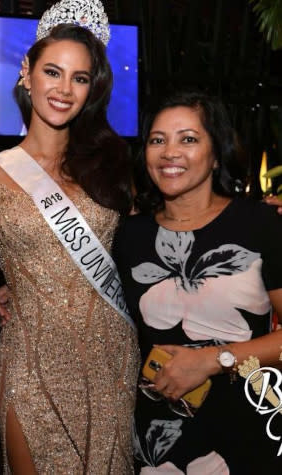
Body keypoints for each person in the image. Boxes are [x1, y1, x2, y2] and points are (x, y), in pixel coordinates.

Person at [0, 0, 140, 472]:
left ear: (91, 89)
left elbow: (139, 254)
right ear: (26, 72)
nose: (64, 89)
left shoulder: (111, 166)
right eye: (52, 72)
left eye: (79, 78)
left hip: (110, 360)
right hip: (31, 361)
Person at [112, 90, 282, 474]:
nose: (170, 152)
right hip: (159, 436)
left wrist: (212, 360)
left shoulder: (259, 224)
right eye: (158, 140)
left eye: (188, 139)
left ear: (216, 152)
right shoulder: (128, 237)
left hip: (245, 429)